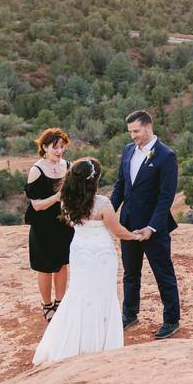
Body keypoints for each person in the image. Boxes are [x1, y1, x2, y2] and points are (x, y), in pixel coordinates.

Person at [32, 158, 139, 365]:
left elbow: (72, 222)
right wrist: (136, 236)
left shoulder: (65, 199)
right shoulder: (102, 204)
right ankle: (100, 344)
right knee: (103, 295)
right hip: (101, 255)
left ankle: (73, 342)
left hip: (80, 252)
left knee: (79, 294)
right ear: (95, 179)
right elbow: (117, 231)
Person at [110, 109, 181, 340]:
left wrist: (152, 227)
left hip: (154, 228)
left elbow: (165, 196)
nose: (133, 136)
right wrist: (108, 213)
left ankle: (171, 320)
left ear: (149, 127)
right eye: (130, 132)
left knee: (163, 273)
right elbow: (121, 186)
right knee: (131, 273)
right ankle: (130, 314)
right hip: (128, 224)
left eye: (136, 131)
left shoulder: (166, 156)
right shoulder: (128, 151)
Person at [24, 128, 75, 321]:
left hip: (63, 224)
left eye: (62, 147)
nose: (59, 151)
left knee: (62, 264)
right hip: (43, 226)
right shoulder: (36, 170)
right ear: (44, 147)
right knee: (45, 267)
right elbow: (36, 205)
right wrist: (56, 198)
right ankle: (47, 305)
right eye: (55, 147)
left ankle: (60, 303)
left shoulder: (68, 166)